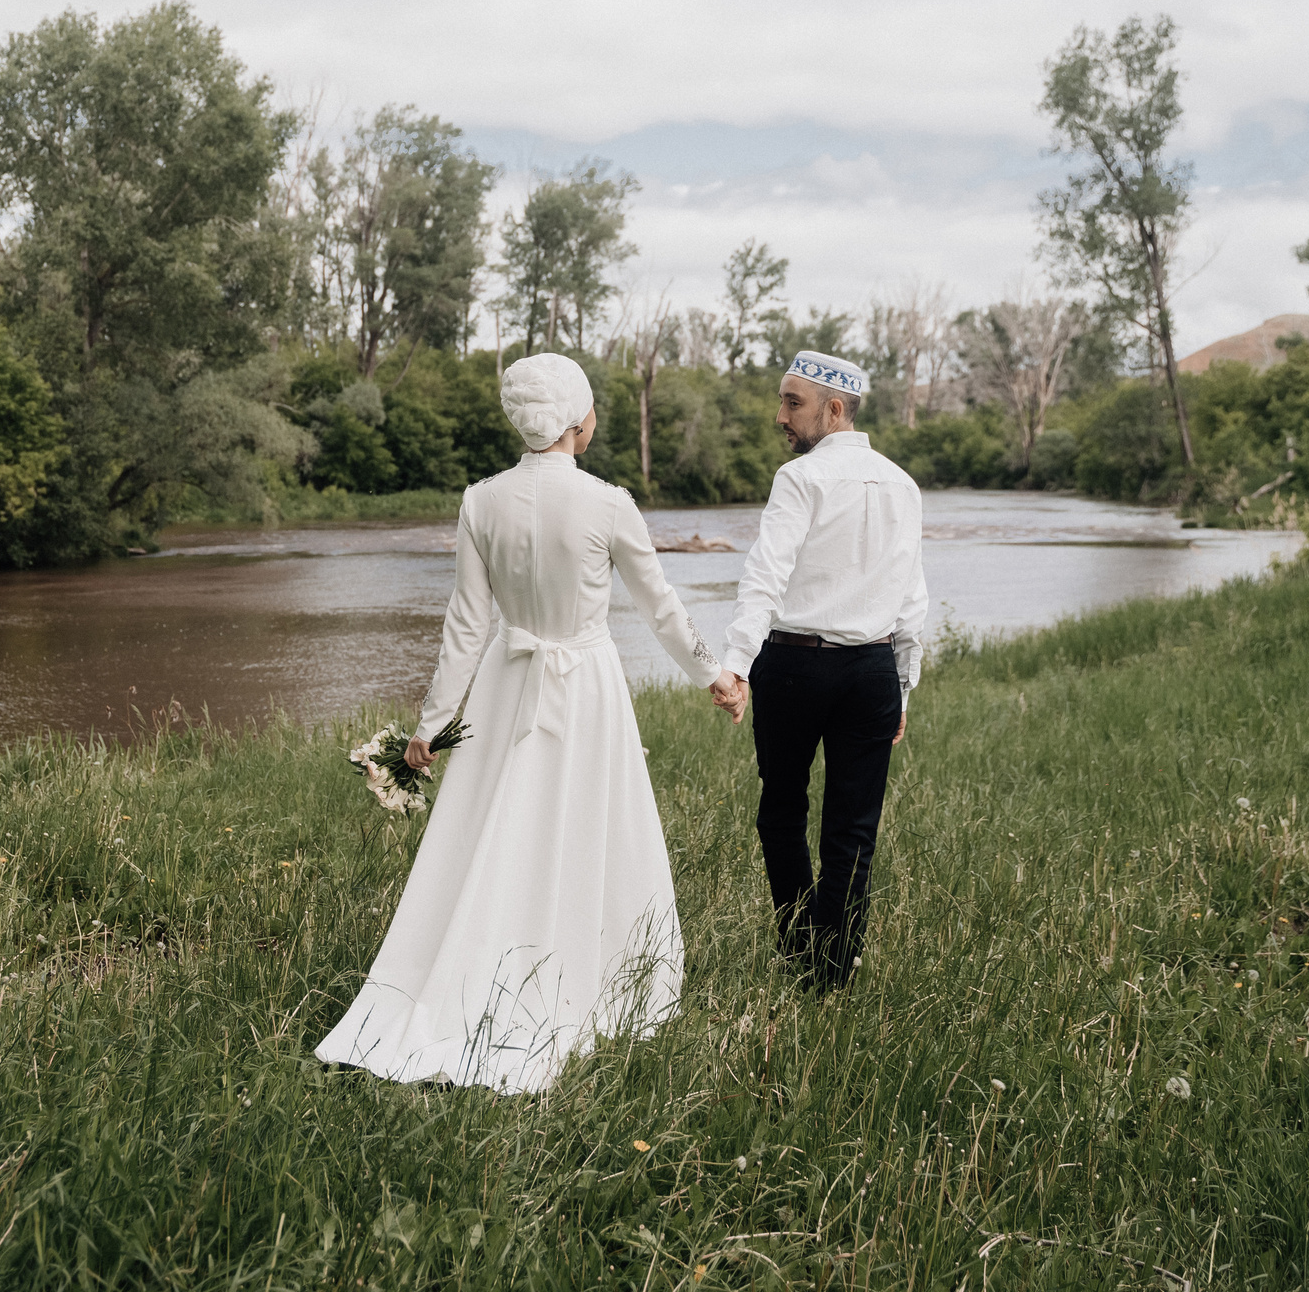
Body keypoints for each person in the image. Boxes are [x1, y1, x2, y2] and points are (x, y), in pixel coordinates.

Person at [314, 353, 726, 1093]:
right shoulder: (609, 502)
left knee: (495, 828)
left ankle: (479, 964)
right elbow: (660, 606)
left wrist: (431, 724)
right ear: (576, 420)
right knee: (588, 825)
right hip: (586, 685)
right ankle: (591, 974)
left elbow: (467, 625)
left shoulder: (481, 501)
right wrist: (714, 673)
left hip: (506, 684)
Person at [711, 349, 927, 991]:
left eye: (792, 402)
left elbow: (764, 576)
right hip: (872, 672)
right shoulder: (903, 484)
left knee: (781, 812)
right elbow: (912, 598)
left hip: (794, 668)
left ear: (834, 408)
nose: (781, 416)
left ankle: (801, 953)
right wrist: (903, 685)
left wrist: (738, 664)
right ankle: (831, 971)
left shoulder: (799, 478)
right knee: (853, 829)